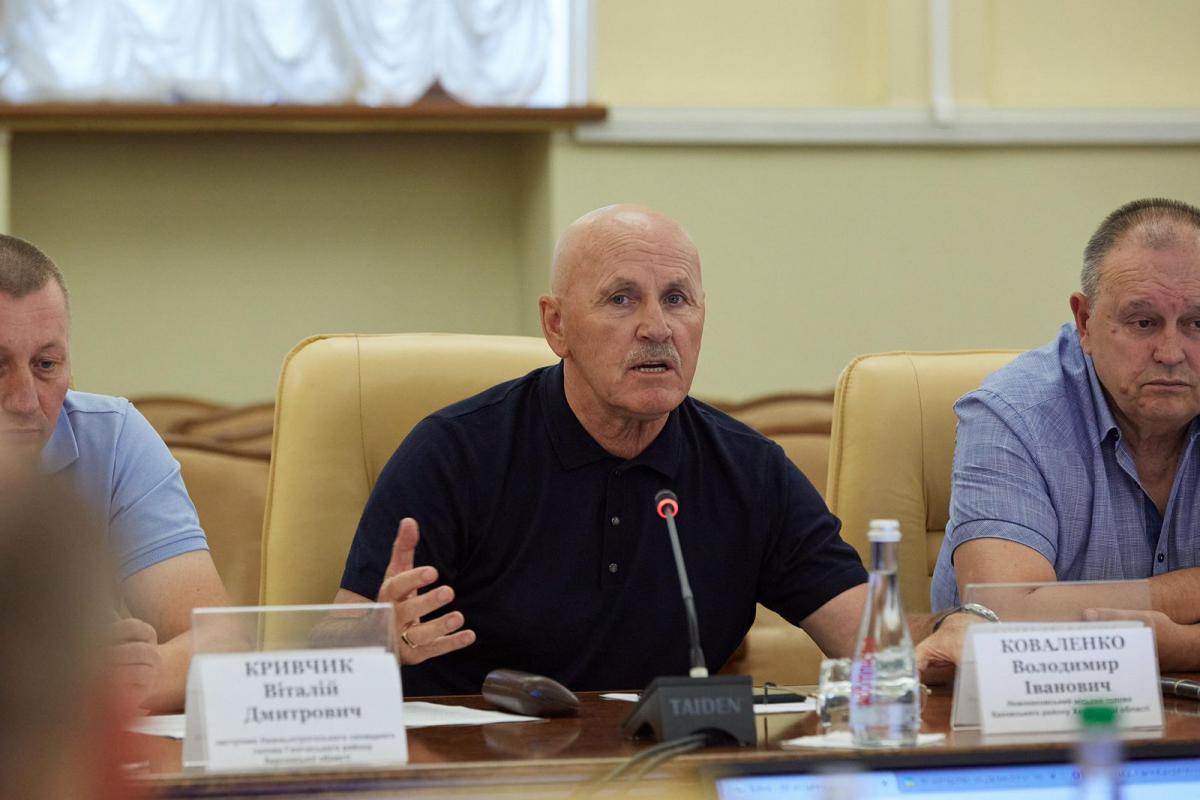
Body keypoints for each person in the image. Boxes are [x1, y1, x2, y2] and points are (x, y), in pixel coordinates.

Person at [336, 204, 959, 696]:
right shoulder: (455, 453)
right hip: (482, 778)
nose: (658, 328)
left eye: (677, 299)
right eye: (621, 298)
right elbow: (334, 650)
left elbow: (875, 646)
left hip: (668, 773)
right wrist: (374, 643)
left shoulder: (749, 471)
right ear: (556, 325)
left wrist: (961, 630)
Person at [930, 197, 1200, 670]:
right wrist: (1183, 596)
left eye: (1197, 323)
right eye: (1143, 322)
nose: (1171, 352)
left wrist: (1178, 645)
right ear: (1085, 322)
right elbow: (1000, 615)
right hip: (1033, 707)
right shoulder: (1013, 416)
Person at [0, 233, 229, 711]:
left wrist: (124, 678)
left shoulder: (112, 437)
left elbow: (219, 644)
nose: (25, 401)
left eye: (46, 365)